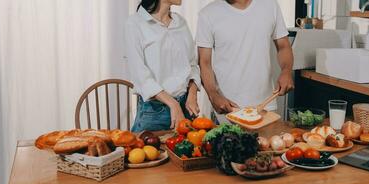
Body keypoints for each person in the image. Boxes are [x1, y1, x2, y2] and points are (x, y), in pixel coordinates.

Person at [196, 0, 294, 123]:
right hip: (228, 110)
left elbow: (283, 46)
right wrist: (213, 95)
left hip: (265, 107)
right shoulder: (207, 14)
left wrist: (286, 71)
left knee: (268, 143)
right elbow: (204, 62)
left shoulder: (270, 5)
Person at [125, 0, 201, 132]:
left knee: (187, 153)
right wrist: (173, 104)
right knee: (150, 152)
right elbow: (140, 77)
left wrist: (192, 94)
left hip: (186, 108)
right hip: (154, 113)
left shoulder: (180, 22)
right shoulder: (135, 24)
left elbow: (192, 65)